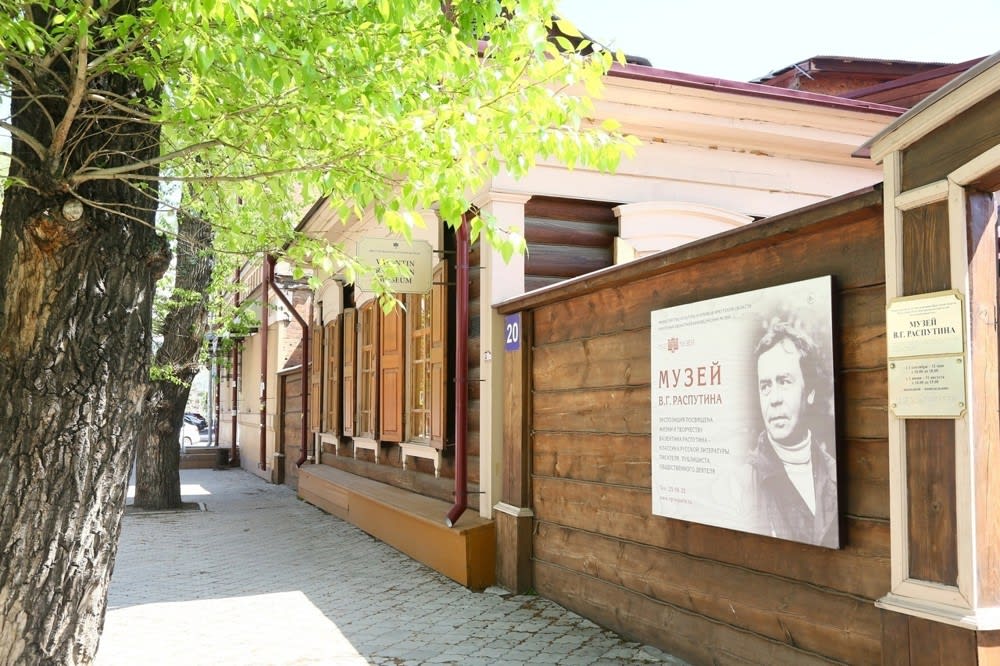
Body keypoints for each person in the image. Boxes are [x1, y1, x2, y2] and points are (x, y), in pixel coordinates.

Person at [746, 320, 838, 548]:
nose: (774, 399)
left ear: (810, 392)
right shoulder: (744, 482)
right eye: (765, 386)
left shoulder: (833, 472)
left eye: (784, 382)